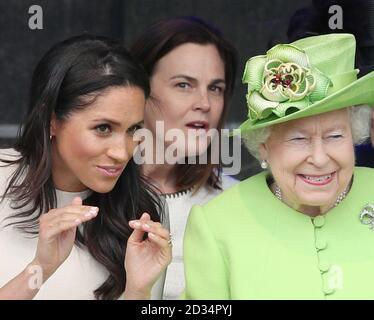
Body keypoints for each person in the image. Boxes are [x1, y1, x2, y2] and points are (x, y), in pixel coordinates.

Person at [183, 33, 374, 299]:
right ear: (263, 145)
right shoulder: (216, 225)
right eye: (298, 139)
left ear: (355, 135)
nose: (319, 158)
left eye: (335, 136)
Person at [0, 34, 171, 300]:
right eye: (103, 128)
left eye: (134, 129)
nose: (122, 152)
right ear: (52, 120)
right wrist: (40, 270)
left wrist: (138, 291)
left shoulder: (143, 211)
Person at [130, 17, 238, 299]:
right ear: (140, 89)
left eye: (216, 88)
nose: (204, 102)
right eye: (184, 85)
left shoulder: (237, 202)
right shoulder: (91, 195)